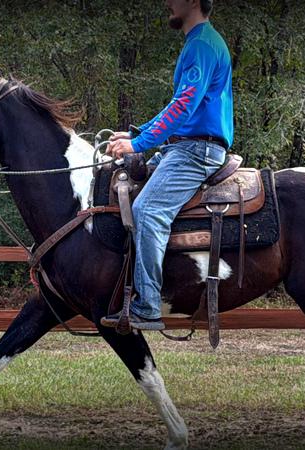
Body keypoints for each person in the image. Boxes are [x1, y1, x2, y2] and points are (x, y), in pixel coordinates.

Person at [101, 0, 233, 331]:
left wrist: (138, 144)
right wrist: (138, 133)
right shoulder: (199, 42)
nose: (166, 3)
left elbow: (184, 106)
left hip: (195, 151)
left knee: (147, 211)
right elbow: (180, 106)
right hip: (185, 147)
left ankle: (147, 306)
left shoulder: (202, 44)